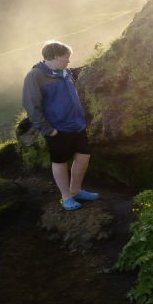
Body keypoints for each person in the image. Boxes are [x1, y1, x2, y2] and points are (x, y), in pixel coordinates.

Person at [22, 40, 99, 211]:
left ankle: (76, 190)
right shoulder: (35, 76)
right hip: (57, 128)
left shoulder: (64, 72)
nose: (68, 61)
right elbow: (31, 106)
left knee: (84, 156)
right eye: (66, 57)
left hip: (77, 125)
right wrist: (48, 130)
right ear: (55, 57)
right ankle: (66, 197)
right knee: (60, 161)